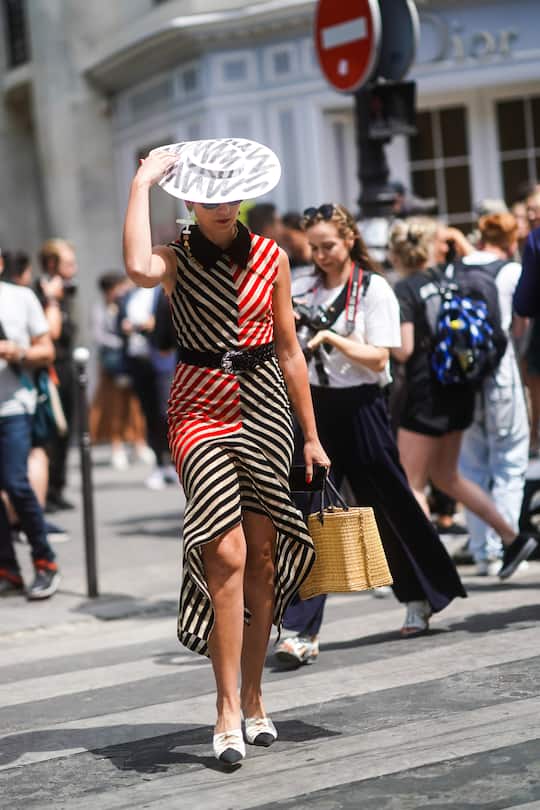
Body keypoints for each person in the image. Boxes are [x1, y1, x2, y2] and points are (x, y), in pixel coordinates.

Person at [122, 138, 329, 765]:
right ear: (189, 199)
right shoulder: (176, 256)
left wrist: (313, 434)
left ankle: (256, 695)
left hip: (267, 404)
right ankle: (225, 708)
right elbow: (135, 269)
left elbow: (291, 350)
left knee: (264, 559)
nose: (221, 207)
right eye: (209, 198)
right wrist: (139, 186)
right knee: (227, 553)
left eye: (230, 196)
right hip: (198, 407)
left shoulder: (272, 255)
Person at [273, 203, 466, 667]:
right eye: (313, 248)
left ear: (350, 240)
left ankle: (420, 592)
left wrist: (333, 338)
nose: (320, 256)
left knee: (389, 504)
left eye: (329, 247)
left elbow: (383, 358)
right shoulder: (299, 285)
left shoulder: (373, 287)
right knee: (305, 510)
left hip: (363, 409)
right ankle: (301, 629)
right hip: (313, 413)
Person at [390, 218, 537, 581]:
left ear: (396, 254)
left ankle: (428, 571)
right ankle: (513, 537)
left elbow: (405, 350)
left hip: (424, 394)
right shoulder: (447, 277)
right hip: (457, 390)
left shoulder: (406, 288)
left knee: (413, 486)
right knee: (448, 477)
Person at [458, 213, 529, 575]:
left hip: (462, 377)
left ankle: (482, 551)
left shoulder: (455, 268)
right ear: (510, 238)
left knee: (470, 466)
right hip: (501, 375)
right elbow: (519, 325)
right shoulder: (509, 271)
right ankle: (508, 545)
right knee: (508, 461)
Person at [0, 249, 60, 599]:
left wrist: (15, 351)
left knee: (14, 483)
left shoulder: (20, 298)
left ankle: (45, 560)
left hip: (13, 405)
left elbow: (47, 351)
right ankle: (7, 567)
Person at [89, 271, 149, 469]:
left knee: (135, 405)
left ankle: (138, 443)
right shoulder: (101, 309)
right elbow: (100, 337)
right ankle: (117, 447)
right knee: (114, 407)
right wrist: (124, 338)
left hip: (130, 361)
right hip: (112, 366)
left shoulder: (128, 303)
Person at [36, 238, 78, 513]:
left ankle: (58, 487)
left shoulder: (66, 291)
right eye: (67, 262)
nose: (73, 267)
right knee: (53, 428)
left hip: (68, 366)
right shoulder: (42, 292)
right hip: (51, 369)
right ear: (52, 264)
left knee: (67, 430)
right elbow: (51, 333)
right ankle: (47, 490)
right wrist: (51, 298)